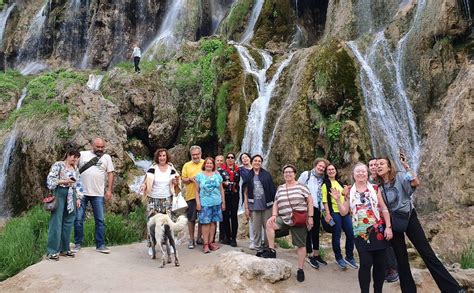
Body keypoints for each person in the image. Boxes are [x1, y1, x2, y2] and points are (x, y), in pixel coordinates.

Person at [377, 155, 462, 293]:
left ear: (389, 166)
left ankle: (453, 290)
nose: (379, 166)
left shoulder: (399, 177)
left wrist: (407, 166)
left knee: (427, 253)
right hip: (394, 223)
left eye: (382, 163)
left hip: (409, 217)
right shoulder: (378, 188)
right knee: (401, 259)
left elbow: (415, 182)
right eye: (377, 164)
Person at [332, 162, 393, 293]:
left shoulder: (375, 189)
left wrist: (388, 227)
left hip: (378, 231)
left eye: (363, 171)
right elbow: (343, 212)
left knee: (380, 265)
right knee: (365, 263)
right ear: (353, 175)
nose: (360, 173)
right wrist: (338, 199)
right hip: (360, 233)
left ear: (368, 174)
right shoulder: (348, 191)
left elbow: (383, 208)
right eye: (357, 171)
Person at [264, 164, 314, 282]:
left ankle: (300, 269)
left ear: (295, 174)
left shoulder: (302, 186)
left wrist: (310, 217)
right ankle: (272, 251)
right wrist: (274, 215)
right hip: (284, 218)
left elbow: (310, 200)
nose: (288, 174)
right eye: (286, 172)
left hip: (299, 219)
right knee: (269, 225)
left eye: (290, 172)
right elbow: (276, 202)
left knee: (301, 245)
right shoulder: (280, 188)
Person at [74, 138, 115, 254]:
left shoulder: (107, 158)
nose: (100, 149)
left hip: (98, 193)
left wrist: (109, 190)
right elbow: (73, 168)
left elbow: (110, 174)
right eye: (98, 147)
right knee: (78, 219)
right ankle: (77, 244)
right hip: (81, 193)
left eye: (102, 147)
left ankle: (100, 245)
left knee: (100, 220)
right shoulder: (82, 155)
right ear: (92, 145)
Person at [46, 149, 83, 260]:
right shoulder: (58, 165)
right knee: (56, 221)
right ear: (67, 155)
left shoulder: (76, 169)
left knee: (68, 221)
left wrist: (78, 198)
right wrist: (65, 181)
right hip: (60, 193)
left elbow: (78, 183)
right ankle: (52, 251)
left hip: (71, 195)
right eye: (72, 156)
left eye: (76, 157)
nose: (74, 158)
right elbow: (50, 181)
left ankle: (64, 248)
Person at [369, 157, 399, 283]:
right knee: (380, 244)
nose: (373, 167)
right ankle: (384, 269)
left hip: (386, 215)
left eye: (376, 164)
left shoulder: (383, 180)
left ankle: (393, 269)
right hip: (373, 218)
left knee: (388, 243)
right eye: (370, 165)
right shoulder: (368, 181)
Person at [322, 164, 358, 269]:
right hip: (334, 212)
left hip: (344, 211)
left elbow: (345, 197)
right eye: (328, 170)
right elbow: (324, 201)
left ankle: (349, 256)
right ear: (326, 172)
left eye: (333, 169)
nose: (331, 171)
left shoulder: (340, 183)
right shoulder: (325, 185)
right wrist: (328, 214)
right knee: (336, 235)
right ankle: (338, 258)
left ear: (336, 171)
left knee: (351, 234)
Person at [297, 158, 328, 269]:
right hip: (307, 206)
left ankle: (316, 254)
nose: (321, 168)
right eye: (319, 166)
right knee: (308, 230)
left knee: (315, 231)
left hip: (317, 207)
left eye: (323, 167)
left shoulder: (322, 179)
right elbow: (298, 187)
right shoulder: (307, 174)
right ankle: (309, 255)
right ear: (315, 165)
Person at [243, 155, 276, 252]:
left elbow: (272, 190)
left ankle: (267, 246)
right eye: (255, 161)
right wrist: (246, 208)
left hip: (267, 206)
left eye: (259, 161)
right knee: (256, 229)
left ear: (261, 163)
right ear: (252, 162)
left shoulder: (266, 175)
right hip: (253, 206)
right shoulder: (248, 176)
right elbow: (245, 193)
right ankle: (257, 247)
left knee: (268, 227)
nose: (257, 162)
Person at [195, 157, 225, 253]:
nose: (209, 165)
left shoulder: (217, 175)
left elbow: (221, 190)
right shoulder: (199, 176)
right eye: (207, 163)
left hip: (216, 202)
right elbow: (196, 191)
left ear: (213, 165)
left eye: (211, 163)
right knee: (205, 223)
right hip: (205, 203)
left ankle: (211, 242)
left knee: (213, 223)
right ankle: (205, 244)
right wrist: (198, 203)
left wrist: (223, 202)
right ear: (204, 165)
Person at [140, 148, 179, 217]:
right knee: (153, 223)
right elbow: (146, 181)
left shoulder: (171, 168)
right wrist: (143, 186)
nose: (162, 158)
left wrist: (175, 182)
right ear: (157, 157)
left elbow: (177, 183)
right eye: (160, 156)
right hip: (153, 199)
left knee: (166, 223)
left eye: (164, 156)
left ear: (167, 157)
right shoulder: (153, 168)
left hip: (167, 199)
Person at [182, 145, 204, 249]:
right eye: (193, 154)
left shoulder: (205, 163)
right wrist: (190, 179)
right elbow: (183, 179)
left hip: (204, 196)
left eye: (197, 154)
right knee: (191, 218)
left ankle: (199, 237)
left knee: (202, 218)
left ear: (201, 154)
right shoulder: (187, 165)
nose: (195, 156)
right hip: (191, 195)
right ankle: (191, 239)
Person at [221, 152, 240, 247]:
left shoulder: (238, 170)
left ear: (234, 159)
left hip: (235, 195)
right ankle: (227, 237)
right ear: (226, 159)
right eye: (228, 157)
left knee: (233, 216)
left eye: (232, 157)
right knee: (225, 217)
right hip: (224, 195)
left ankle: (234, 238)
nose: (230, 159)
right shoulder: (221, 170)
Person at [239, 152, 256, 249]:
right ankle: (253, 240)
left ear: (250, 158)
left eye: (246, 157)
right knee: (251, 217)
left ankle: (261, 239)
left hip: (258, 194)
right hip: (248, 194)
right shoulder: (240, 169)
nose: (245, 159)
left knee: (260, 217)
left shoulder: (257, 168)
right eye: (242, 158)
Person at [215, 155, 229, 243]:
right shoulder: (209, 171)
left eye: (221, 161)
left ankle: (222, 237)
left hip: (222, 196)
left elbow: (226, 183)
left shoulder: (224, 172)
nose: (219, 162)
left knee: (223, 217)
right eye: (218, 160)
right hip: (211, 197)